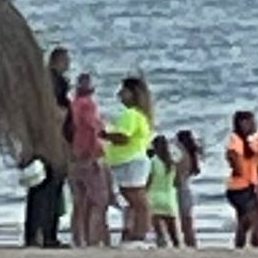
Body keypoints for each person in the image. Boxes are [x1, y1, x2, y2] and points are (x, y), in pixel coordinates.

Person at [24, 45, 72, 248]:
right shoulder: (55, 82)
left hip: (39, 141)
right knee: (50, 190)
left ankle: (34, 234)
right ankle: (47, 235)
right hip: (52, 142)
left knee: (38, 189)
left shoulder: (37, 83)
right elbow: (58, 112)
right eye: (66, 61)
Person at [105, 76, 154, 243]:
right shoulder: (137, 115)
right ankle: (134, 231)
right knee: (132, 198)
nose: (120, 94)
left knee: (137, 198)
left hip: (131, 160)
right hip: (129, 160)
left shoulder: (131, 114)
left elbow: (123, 137)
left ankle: (140, 234)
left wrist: (105, 134)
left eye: (124, 91)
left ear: (133, 94)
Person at [69, 72, 110, 247]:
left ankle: (78, 237)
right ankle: (93, 237)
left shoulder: (73, 105)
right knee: (97, 200)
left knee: (79, 200)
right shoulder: (88, 106)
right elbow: (92, 129)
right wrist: (97, 153)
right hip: (88, 155)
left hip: (74, 154)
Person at [225, 111, 258, 247]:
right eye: (251, 122)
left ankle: (239, 247)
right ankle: (255, 246)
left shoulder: (248, 141)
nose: (254, 125)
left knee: (244, 222)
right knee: (254, 219)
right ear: (242, 123)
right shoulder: (236, 139)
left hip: (248, 186)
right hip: (238, 187)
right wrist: (238, 169)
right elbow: (231, 153)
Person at [146, 133, 182, 247]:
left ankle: (162, 246)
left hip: (154, 196)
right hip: (169, 197)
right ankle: (178, 246)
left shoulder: (153, 161)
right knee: (174, 231)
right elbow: (177, 182)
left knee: (159, 231)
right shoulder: (171, 162)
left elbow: (149, 180)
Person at [175, 130, 204, 248]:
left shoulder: (181, 154)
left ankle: (186, 243)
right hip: (187, 188)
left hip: (179, 189)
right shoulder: (191, 156)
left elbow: (176, 175)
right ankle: (191, 243)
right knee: (187, 220)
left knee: (183, 220)